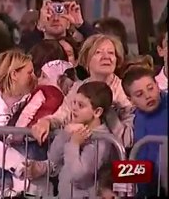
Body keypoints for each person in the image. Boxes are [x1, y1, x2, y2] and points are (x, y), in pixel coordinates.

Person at [31, 34, 134, 149]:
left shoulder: (125, 91)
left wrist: (110, 114)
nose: (106, 57)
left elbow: (128, 139)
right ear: (87, 60)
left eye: (111, 53)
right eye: (98, 52)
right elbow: (62, 115)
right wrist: (46, 122)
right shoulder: (77, 87)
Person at [0, 49, 51, 197]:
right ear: (14, 74)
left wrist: (37, 168)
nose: (34, 77)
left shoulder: (37, 96)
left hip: (34, 180)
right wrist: (20, 164)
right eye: (29, 73)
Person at [27, 81, 114, 198]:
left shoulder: (101, 140)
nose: (74, 108)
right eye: (74, 103)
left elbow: (79, 176)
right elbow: (53, 157)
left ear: (97, 112)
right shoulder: (74, 128)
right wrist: (65, 134)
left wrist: (74, 143)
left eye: (81, 105)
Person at [122, 67, 168, 197]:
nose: (148, 96)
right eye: (139, 94)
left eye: (150, 88)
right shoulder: (131, 117)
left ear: (158, 86)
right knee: (109, 175)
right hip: (145, 183)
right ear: (130, 99)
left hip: (163, 181)